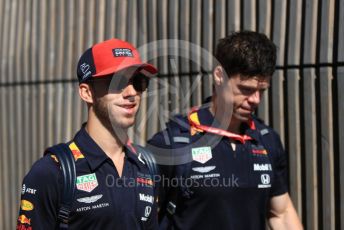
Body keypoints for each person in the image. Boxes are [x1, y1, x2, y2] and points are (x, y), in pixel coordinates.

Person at [147, 31, 303, 229]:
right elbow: (141, 217)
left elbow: (281, 213)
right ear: (219, 76)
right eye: (246, 89)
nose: (256, 100)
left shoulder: (267, 140)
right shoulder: (172, 142)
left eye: (261, 90)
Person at [17, 38, 159, 229]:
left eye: (138, 81)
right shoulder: (51, 172)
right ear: (86, 93)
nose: (131, 92)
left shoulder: (146, 167)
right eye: (117, 81)